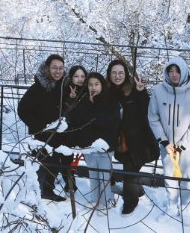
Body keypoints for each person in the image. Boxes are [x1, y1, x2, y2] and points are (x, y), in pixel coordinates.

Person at [148, 56, 190, 226]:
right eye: (171, 71)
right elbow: (153, 116)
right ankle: (172, 206)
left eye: (178, 71)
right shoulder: (159, 90)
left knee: (187, 177)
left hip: (188, 147)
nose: (174, 75)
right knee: (169, 176)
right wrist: (165, 142)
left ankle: (184, 207)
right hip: (167, 146)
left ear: (184, 71)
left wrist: (182, 146)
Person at [106, 60, 160, 217]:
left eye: (121, 73)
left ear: (126, 74)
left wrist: (142, 92)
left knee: (130, 167)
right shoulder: (107, 91)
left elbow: (146, 109)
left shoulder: (134, 89)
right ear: (109, 74)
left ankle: (131, 202)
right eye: (114, 73)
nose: (117, 76)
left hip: (137, 138)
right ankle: (138, 190)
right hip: (119, 138)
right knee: (129, 166)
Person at [18, 54, 67, 202]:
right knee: (43, 164)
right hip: (42, 136)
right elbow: (22, 109)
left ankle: (47, 190)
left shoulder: (63, 86)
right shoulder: (38, 88)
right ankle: (40, 194)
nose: (57, 71)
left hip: (60, 134)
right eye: (54, 68)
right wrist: (39, 127)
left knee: (54, 164)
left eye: (60, 68)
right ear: (47, 68)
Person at [71, 72, 120, 216]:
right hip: (88, 144)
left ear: (102, 85)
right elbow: (78, 120)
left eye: (96, 84)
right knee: (93, 173)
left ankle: (105, 201)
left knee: (104, 175)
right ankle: (94, 199)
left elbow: (114, 121)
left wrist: (93, 117)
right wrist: (87, 104)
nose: (93, 87)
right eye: (90, 84)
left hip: (105, 144)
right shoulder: (84, 99)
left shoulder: (111, 99)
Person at [61, 65, 88, 193]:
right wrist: (71, 99)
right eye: (76, 76)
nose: (80, 79)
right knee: (67, 157)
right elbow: (66, 114)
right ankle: (69, 182)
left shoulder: (89, 90)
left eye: (82, 76)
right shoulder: (65, 91)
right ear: (71, 77)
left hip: (85, 129)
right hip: (70, 130)